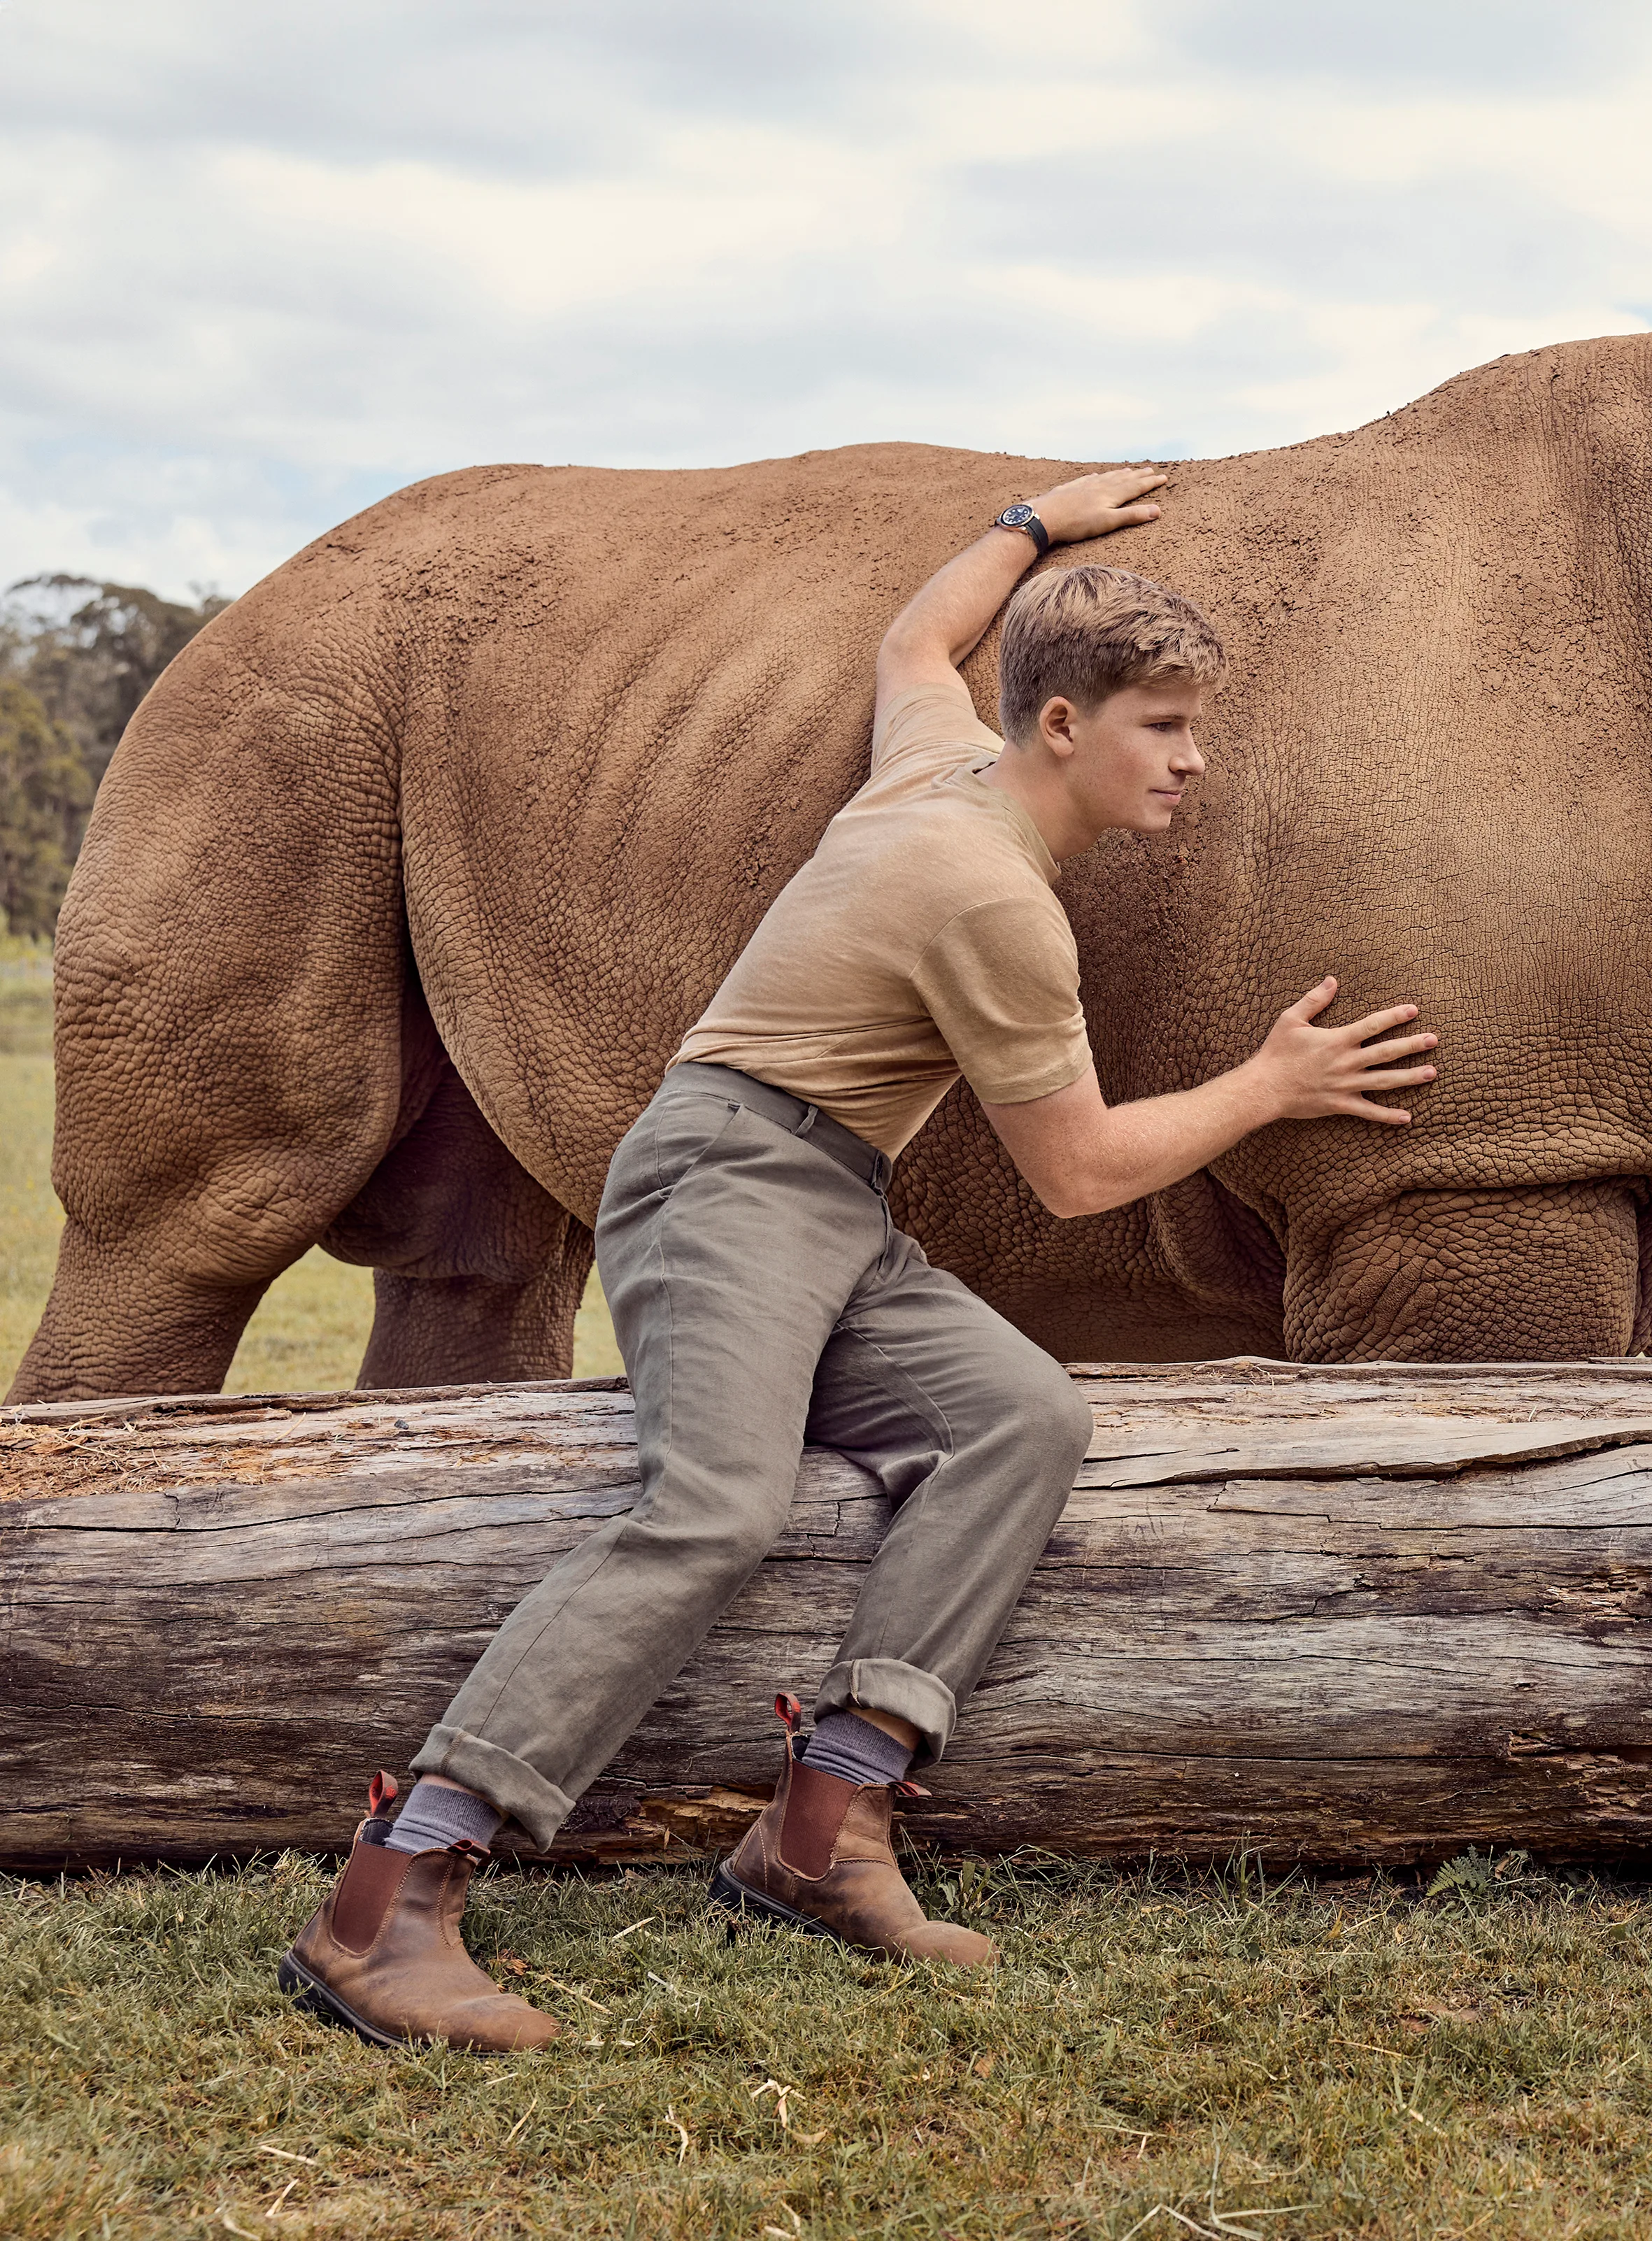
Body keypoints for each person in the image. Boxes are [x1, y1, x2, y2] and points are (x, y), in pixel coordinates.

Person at [278, 469, 1441, 2051]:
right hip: (721, 1180)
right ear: (1060, 730)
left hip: (832, 1200)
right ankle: (392, 1896)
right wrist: (1273, 1086)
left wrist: (1037, 527)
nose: (1193, 759)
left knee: (1019, 1419)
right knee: (714, 1508)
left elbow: (916, 639)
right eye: (1161, 726)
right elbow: (1082, 1170)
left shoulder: (941, 760)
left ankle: (824, 1831)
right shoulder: (992, 904)